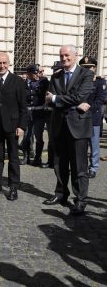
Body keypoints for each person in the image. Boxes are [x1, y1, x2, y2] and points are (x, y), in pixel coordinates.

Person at [43, 45, 93, 216]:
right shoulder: (56, 76)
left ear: (75, 55)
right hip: (58, 125)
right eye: (61, 55)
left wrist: (58, 98)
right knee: (59, 164)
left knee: (79, 166)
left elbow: (80, 96)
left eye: (67, 55)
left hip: (78, 126)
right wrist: (72, 102)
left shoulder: (86, 74)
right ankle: (61, 193)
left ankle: (80, 200)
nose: (64, 58)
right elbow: (48, 100)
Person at [0, 52, 27, 201]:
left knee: (13, 158)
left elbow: (23, 107)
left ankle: (13, 186)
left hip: (13, 126)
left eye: (4, 63)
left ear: (9, 64)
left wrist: (22, 126)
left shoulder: (18, 81)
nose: (1, 66)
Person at [78, 56, 106, 179]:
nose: (87, 70)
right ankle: (82, 167)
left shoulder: (100, 82)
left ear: (94, 68)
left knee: (94, 144)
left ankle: (93, 167)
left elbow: (100, 100)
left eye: (89, 67)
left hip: (93, 117)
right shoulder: (79, 81)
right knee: (81, 144)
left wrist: (87, 107)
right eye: (85, 68)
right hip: (80, 116)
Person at [20, 64, 49, 166]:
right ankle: (26, 157)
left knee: (38, 136)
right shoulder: (22, 84)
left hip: (39, 113)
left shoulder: (43, 82)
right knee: (26, 136)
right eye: (35, 73)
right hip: (27, 114)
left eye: (38, 73)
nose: (37, 75)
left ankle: (38, 158)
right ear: (28, 74)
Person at [41, 61, 64, 169]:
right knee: (52, 139)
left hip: (63, 114)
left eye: (57, 69)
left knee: (63, 140)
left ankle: (61, 162)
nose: (55, 71)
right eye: (54, 69)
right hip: (51, 114)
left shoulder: (67, 82)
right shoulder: (52, 81)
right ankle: (51, 161)